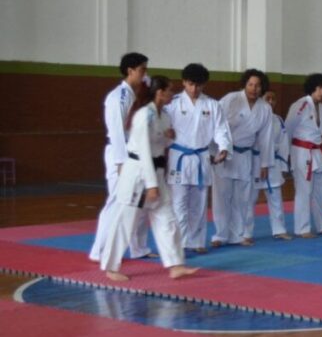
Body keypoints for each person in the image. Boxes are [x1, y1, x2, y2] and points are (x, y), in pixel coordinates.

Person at [98, 75, 198, 282]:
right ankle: (110, 266)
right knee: (126, 222)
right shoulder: (144, 115)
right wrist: (151, 185)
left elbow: (161, 145)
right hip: (138, 175)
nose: (172, 94)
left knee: (168, 219)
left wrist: (170, 137)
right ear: (159, 92)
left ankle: (176, 265)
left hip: (157, 171)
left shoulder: (165, 116)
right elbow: (143, 150)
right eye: (170, 90)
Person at [88, 52, 152, 263]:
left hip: (138, 152)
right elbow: (116, 131)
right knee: (117, 201)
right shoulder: (118, 97)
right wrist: (121, 162)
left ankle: (138, 247)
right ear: (130, 70)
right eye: (142, 69)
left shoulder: (139, 91)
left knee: (138, 203)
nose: (145, 74)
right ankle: (100, 250)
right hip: (121, 153)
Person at [166, 63, 232, 254]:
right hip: (178, 158)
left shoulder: (212, 104)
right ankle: (179, 244)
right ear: (184, 82)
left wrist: (224, 147)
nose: (194, 89)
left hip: (201, 157)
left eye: (199, 85)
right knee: (178, 204)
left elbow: (221, 129)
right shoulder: (173, 103)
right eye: (191, 84)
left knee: (199, 203)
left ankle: (196, 242)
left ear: (205, 85)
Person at [211, 70, 273, 248]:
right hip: (225, 154)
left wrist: (265, 163)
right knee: (221, 196)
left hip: (246, 155)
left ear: (263, 88)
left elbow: (265, 137)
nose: (254, 89)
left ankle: (237, 234)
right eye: (250, 84)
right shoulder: (230, 99)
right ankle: (220, 235)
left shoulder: (265, 108)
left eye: (258, 85)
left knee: (242, 197)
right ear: (245, 85)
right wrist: (214, 151)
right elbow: (216, 125)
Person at [285, 73, 322, 238]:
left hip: (317, 151)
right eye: (319, 87)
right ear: (312, 87)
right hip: (301, 151)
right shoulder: (300, 105)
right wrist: (285, 156)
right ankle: (303, 228)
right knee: (303, 190)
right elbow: (287, 130)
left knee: (319, 191)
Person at [256, 90, 291, 240]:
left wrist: (284, 166)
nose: (270, 101)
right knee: (248, 199)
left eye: (273, 99)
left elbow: (284, 144)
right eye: (267, 98)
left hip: (274, 162)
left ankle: (279, 229)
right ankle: (243, 233)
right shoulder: (254, 118)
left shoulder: (279, 120)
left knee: (276, 197)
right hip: (255, 162)